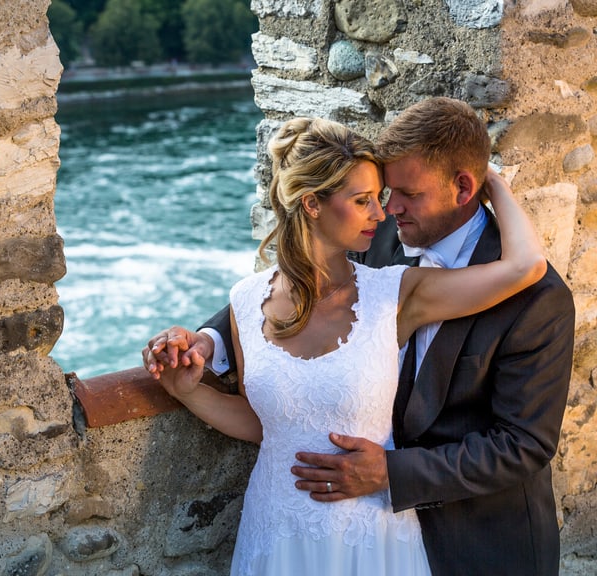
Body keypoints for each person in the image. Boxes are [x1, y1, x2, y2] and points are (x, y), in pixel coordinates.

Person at [143, 113, 548, 575]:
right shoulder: (245, 299)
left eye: (384, 197)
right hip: (275, 530)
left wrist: (489, 181)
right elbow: (267, 426)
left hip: (370, 534)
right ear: (312, 204)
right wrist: (187, 388)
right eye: (365, 200)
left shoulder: (395, 292)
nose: (383, 213)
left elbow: (526, 267)